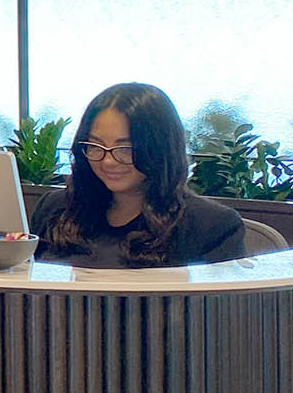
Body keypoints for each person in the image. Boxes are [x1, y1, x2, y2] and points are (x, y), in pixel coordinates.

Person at [31, 82, 245, 268]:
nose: (108, 161)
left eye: (125, 149)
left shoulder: (212, 225)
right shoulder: (55, 209)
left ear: (160, 150)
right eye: (96, 146)